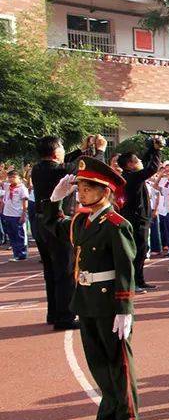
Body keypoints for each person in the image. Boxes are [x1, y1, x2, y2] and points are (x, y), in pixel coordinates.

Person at [44, 158, 140, 420]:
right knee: (98, 365)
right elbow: (52, 228)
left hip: (109, 303)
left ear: (105, 190)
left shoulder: (116, 224)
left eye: (87, 188)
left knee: (119, 366)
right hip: (85, 301)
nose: (81, 193)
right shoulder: (82, 220)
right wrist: (53, 201)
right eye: (80, 188)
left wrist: (125, 309)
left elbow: (126, 268)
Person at [32, 135, 90, 330]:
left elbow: (68, 162)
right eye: (62, 148)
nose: (65, 151)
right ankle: (65, 317)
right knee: (65, 271)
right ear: (56, 151)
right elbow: (83, 168)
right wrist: (97, 151)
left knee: (50, 271)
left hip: (41, 224)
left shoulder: (37, 168)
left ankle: (54, 313)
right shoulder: (62, 170)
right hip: (56, 225)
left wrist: (81, 149)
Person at [115, 140, 162, 292]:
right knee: (137, 251)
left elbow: (146, 163)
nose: (140, 161)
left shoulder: (130, 175)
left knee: (142, 251)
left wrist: (151, 149)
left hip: (139, 218)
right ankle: (133, 282)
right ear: (129, 164)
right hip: (136, 219)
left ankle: (139, 281)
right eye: (137, 160)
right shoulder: (132, 177)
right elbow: (152, 168)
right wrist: (156, 150)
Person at [2, 169, 30, 261]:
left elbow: (25, 202)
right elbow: (2, 180)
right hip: (7, 214)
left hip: (17, 214)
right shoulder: (7, 186)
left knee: (19, 234)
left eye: (13, 177)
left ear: (19, 178)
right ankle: (15, 253)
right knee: (11, 235)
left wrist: (23, 214)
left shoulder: (22, 188)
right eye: (9, 177)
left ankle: (22, 254)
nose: (11, 179)